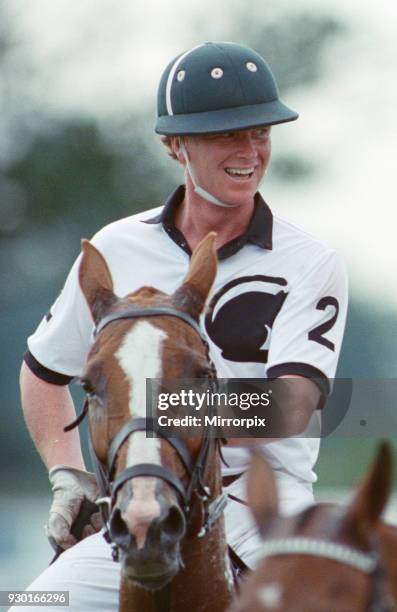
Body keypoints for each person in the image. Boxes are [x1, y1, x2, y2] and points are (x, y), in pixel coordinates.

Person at [18, 42, 348, 609]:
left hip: (265, 510)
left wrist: (154, 416)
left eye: (261, 133)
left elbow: (292, 406)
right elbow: (45, 371)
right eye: (227, 135)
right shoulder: (114, 247)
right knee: (39, 602)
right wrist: (70, 476)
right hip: (143, 499)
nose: (250, 150)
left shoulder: (310, 262)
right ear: (176, 146)